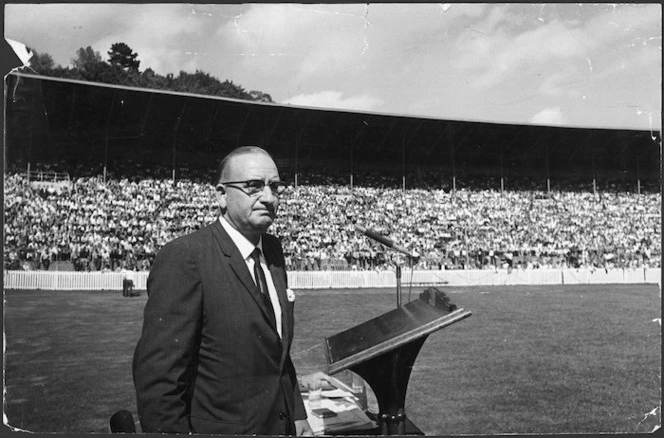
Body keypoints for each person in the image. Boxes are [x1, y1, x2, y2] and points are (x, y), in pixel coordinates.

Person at [133, 146, 326, 435]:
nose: (269, 197)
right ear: (221, 195)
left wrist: (297, 412)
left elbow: (277, 357)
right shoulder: (186, 256)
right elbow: (159, 381)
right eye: (253, 186)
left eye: (275, 187)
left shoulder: (273, 251)